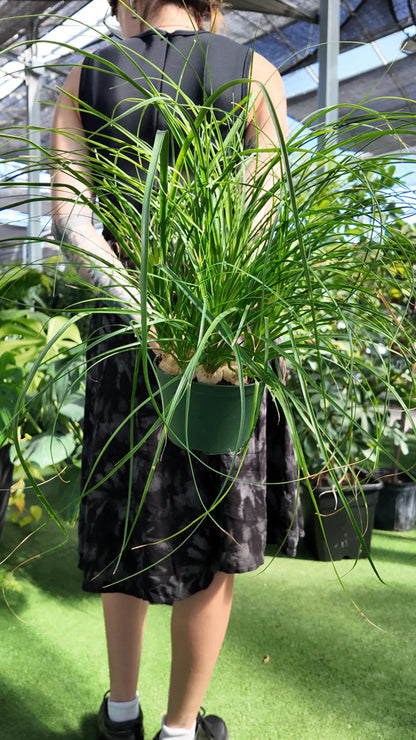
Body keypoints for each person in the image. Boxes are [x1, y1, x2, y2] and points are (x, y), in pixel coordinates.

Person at [50, 2, 300, 738]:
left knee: (125, 516)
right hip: (223, 334)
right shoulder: (255, 73)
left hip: (126, 338)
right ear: (212, 4)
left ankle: (120, 715)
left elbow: (70, 219)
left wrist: (143, 311)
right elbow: (265, 212)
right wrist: (197, 314)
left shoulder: (83, 77)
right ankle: (181, 729)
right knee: (213, 527)